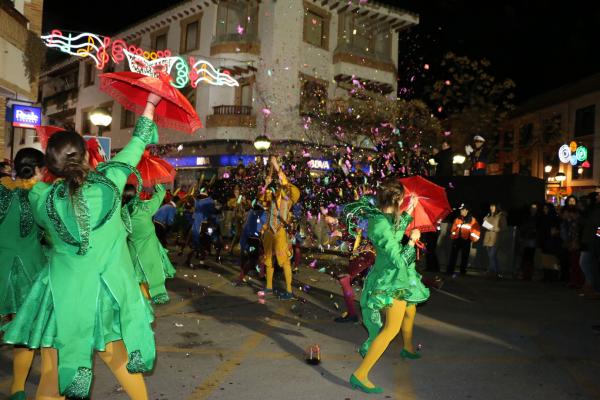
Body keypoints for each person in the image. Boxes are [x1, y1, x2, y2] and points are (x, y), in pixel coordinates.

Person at [2, 94, 161, 399]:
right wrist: (150, 102)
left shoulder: (41, 197)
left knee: (53, 370)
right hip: (107, 293)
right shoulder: (112, 179)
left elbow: (35, 204)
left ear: (50, 166)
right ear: (87, 156)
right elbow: (137, 143)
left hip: (61, 296)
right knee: (120, 362)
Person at [343, 178, 419, 393]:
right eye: (402, 200)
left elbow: (394, 230)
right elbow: (398, 258)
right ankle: (360, 374)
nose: (403, 202)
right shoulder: (381, 224)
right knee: (390, 330)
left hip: (390, 277)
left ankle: (399, 348)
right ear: (395, 198)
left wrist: (409, 210)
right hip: (390, 280)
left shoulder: (382, 218)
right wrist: (412, 241)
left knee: (400, 319)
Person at [0, 148, 45, 400]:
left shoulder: (1, 190)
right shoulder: (41, 197)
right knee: (24, 332)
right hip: (30, 273)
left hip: (1, 266)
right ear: (40, 169)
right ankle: (17, 388)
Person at [123, 184, 176, 305]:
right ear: (135, 194)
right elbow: (160, 195)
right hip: (150, 254)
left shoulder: (120, 214)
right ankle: (148, 301)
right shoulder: (144, 208)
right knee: (152, 276)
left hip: (132, 255)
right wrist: (157, 184)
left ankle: (140, 303)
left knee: (137, 281)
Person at [259, 156, 300, 300]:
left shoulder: (288, 196)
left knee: (284, 261)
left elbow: (284, 183)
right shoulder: (274, 195)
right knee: (268, 259)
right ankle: (269, 286)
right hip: (269, 231)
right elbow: (262, 200)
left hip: (281, 231)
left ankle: (289, 291)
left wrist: (276, 165)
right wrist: (266, 185)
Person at [237, 202, 266, 285]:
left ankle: (261, 274)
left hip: (249, 238)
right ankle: (241, 277)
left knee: (257, 256)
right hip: (253, 239)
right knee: (252, 259)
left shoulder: (251, 213)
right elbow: (262, 226)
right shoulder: (260, 214)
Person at [447, 204, 481, 276]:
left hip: (466, 240)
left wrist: (472, 239)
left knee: (464, 257)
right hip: (457, 240)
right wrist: (453, 236)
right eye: (460, 210)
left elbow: (476, 231)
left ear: (467, 211)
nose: (461, 211)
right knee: (453, 256)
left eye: (462, 210)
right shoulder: (457, 219)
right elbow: (453, 229)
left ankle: (462, 271)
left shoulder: (472, 220)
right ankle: (450, 271)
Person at [482, 203, 507, 278]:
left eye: (494, 206)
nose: (492, 208)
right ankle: (497, 272)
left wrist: (494, 229)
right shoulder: (488, 215)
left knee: (492, 255)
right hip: (488, 238)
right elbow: (484, 227)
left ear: (497, 207)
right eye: (491, 206)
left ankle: (492, 272)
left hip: (496, 239)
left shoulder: (501, 216)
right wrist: (485, 221)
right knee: (493, 257)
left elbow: (504, 228)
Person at [518, 203, 540, 281]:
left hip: (532, 239)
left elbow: (538, 229)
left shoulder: (538, 218)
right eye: (532, 208)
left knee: (530, 256)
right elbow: (522, 227)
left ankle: (529, 274)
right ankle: (525, 274)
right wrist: (522, 236)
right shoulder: (526, 217)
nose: (533, 209)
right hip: (526, 238)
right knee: (525, 256)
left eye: (535, 208)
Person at [227, 185, 250, 254]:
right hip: (237, 218)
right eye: (235, 191)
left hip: (243, 218)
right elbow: (231, 205)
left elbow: (247, 205)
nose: (236, 192)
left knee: (243, 233)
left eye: (238, 191)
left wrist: (244, 201)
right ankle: (231, 249)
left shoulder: (242, 198)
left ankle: (242, 249)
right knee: (237, 234)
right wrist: (238, 200)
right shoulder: (232, 200)